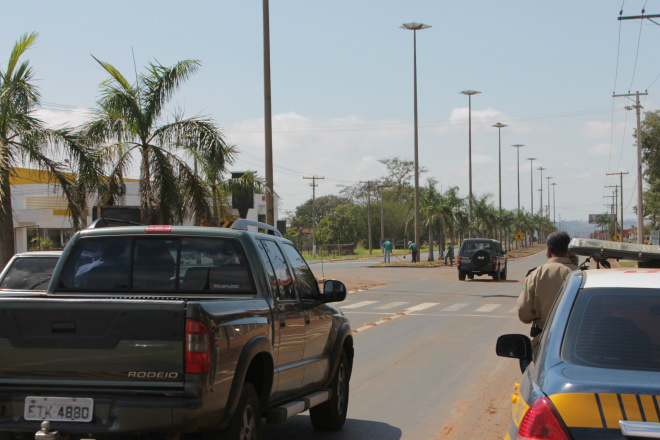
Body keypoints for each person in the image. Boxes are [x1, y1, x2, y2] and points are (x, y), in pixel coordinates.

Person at [517, 231, 578, 347]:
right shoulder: (581, 274)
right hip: (574, 342)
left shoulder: (536, 274)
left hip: (544, 341)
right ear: (569, 252)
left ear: (548, 252)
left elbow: (524, 313)